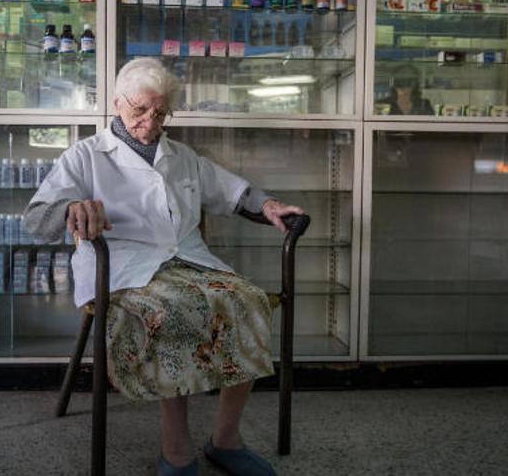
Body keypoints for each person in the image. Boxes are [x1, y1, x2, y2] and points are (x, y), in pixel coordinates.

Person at [23, 57, 304, 476]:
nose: (150, 122)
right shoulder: (86, 155)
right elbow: (36, 221)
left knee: (248, 301)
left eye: (160, 113)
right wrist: (71, 208)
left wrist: (267, 204)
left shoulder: (181, 155)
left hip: (187, 259)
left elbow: (231, 190)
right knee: (173, 311)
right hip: (122, 267)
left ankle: (225, 440)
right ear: (118, 103)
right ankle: (176, 450)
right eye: (140, 110)